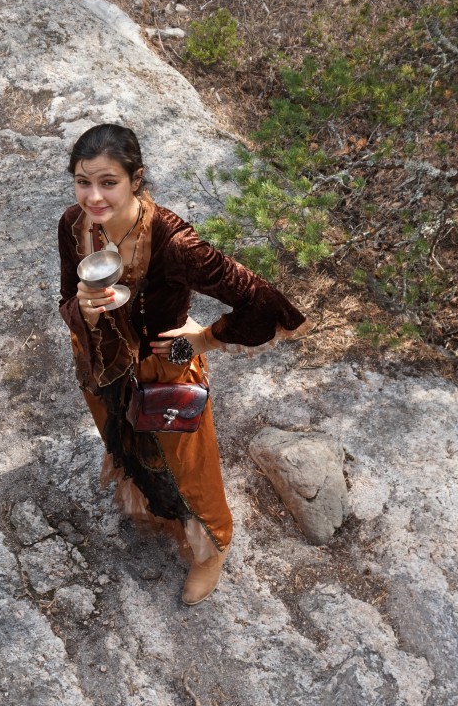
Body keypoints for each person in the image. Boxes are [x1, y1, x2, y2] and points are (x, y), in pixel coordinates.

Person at [57, 123, 308, 605]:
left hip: (162, 368)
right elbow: (67, 296)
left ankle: (211, 550)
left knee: (190, 470)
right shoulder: (73, 225)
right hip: (101, 368)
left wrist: (205, 338)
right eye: (82, 181)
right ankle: (159, 511)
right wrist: (80, 310)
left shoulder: (173, 242)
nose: (93, 196)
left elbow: (263, 302)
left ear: (136, 179)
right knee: (127, 442)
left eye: (108, 182)